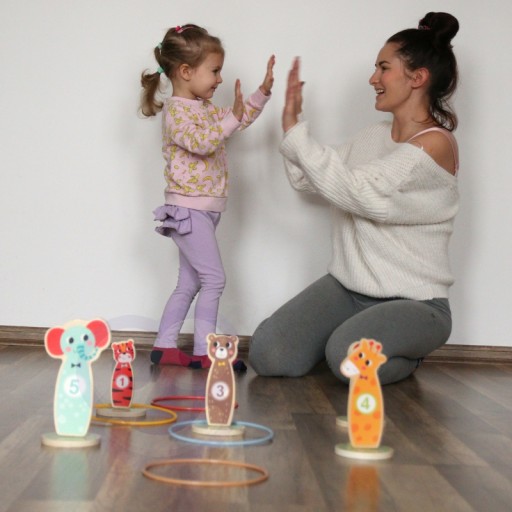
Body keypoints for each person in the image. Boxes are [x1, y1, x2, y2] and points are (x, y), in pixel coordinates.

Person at [249, 12, 460, 385]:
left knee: (347, 358)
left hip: (417, 303)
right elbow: (308, 178)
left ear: (417, 77)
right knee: (269, 353)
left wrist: (296, 134)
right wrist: (292, 125)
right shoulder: (373, 135)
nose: (373, 78)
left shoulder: (434, 145)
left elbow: (360, 193)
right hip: (348, 288)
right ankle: (351, 338)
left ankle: (405, 354)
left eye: (384, 68)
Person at [140, 24, 275, 369]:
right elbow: (203, 142)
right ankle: (206, 352)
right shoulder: (176, 112)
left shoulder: (203, 107)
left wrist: (260, 94)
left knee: (189, 282)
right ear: (186, 71)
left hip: (203, 209)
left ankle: (164, 346)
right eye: (214, 71)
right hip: (188, 210)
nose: (219, 79)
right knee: (214, 279)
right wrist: (230, 119)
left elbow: (236, 120)